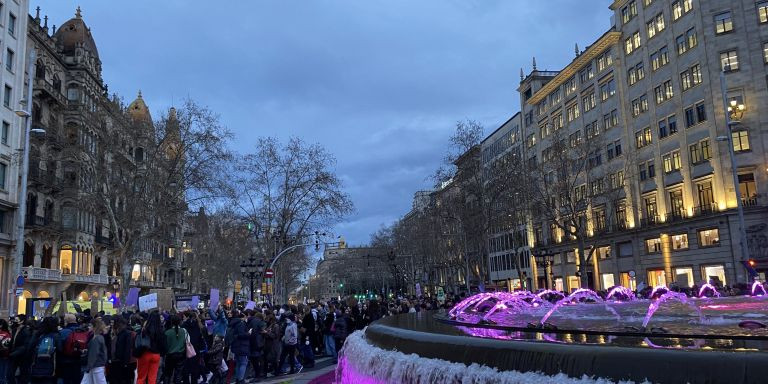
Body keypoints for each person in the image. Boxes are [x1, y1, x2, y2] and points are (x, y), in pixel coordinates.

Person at [136, 312, 167, 384]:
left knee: (141, 377)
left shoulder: (144, 330)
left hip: (145, 354)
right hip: (156, 355)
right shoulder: (160, 331)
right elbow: (164, 346)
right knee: (152, 378)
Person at [57, 314, 87, 384]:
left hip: (65, 361)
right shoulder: (83, 330)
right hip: (79, 360)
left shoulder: (63, 332)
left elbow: (59, 347)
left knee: (66, 380)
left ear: (66, 321)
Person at [29, 317, 60, 384]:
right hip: (50, 368)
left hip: (36, 367)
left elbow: (30, 347)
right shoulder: (56, 336)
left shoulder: (38, 335)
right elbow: (60, 350)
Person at [110, 316, 136, 384]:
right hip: (117, 360)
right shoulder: (116, 333)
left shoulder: (127, 333)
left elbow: (127, 348)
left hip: (122, 360)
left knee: (123, 379)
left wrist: (126, 362)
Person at [181, 311, 206, 384]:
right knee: (195, 370)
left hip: (186, 350)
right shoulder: (198, 325)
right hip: (196, 351)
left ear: (188, 317)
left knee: (186, 370)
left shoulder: (184, 325)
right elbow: (201, 338)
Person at [81, 318, 108, 384]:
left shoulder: (96, 338)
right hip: (96, 366)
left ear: (94, 327)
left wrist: (89, 367)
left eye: (90, 325)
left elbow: (94, 354)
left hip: (95, 366)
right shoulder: (98, 337)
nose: (89, 327)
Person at [164, 314, 187, 384]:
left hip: (170, 356)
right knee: (178, 374)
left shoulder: (167, 333)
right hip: (181, 355)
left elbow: (166, 345)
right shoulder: (183, 331)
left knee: (168, 374)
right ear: (180, 322)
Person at [226, 311, 249, 384]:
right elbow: (241, 335)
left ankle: (238, 378)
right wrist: (248, 334)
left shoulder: (232, 323)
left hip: (235, 345)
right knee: (243, 363)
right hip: (242, 345)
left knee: (238, 363)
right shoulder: (241, 324)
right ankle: (240, 380)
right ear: (243, 317)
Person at [8, 315, 32, 384]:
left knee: (22, 375)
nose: (14, 321)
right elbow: (13, 341)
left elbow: (25, 345)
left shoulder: (26, 331)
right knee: (10, 375)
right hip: (13, 355)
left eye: (16, 320)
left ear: (22, 321)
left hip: (21, 356)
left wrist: (14, 353)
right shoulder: (15, 329)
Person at [246, 311, 265, 381]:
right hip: (257, 342)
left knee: (254, 360)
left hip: (252, 342)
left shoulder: (250, 321)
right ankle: (258, 375)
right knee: (256, 360)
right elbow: (262, 330)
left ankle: (257, 375)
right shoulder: (258, 321)